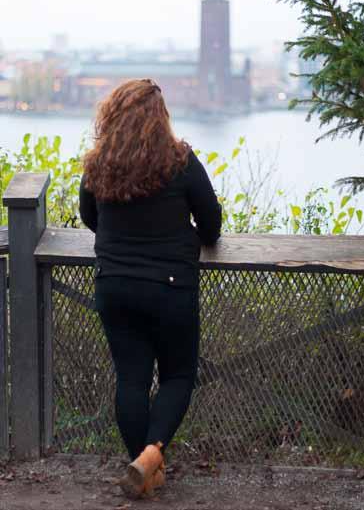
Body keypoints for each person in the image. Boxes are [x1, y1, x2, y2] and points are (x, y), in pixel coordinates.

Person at [79, 78, 222, 498]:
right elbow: (211, 224)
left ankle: (144, 469)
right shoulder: (180, 160)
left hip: (114, 284)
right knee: (178, 375)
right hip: (171, 287)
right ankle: (151, 454)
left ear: (114, 115)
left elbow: (90, 217)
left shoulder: (98, 164)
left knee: (131, 379)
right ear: (161, 119)